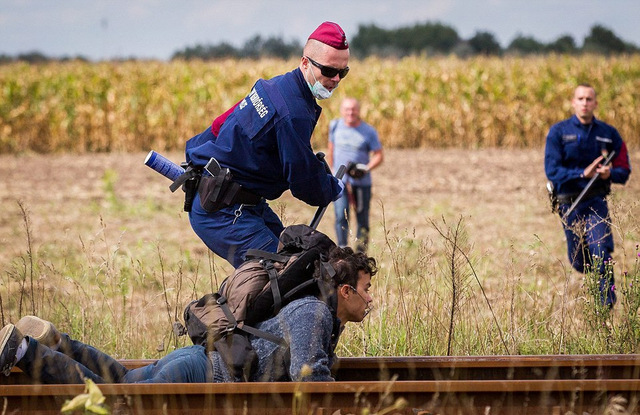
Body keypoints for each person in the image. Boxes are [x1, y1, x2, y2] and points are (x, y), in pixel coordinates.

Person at [0, 247, 377, 384]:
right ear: (345, 291)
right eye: (366, 288)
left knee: (124, 381)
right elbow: (310, 382)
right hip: (202, 375)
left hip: (197, 359)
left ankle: (58, 342)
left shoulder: (312, 311)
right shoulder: (315, 313)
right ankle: (23, 351)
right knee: (113, 403)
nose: (370, 297)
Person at [183, 21, 351, 268]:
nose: (335, 79)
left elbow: (221, 124)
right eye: (328, 71)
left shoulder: (275, 86)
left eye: (343, 72)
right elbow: (304, 182)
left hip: (242, 200)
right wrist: (330, 188)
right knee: (284, 277)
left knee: (292, 257)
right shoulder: (293, 112)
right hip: (222, 211)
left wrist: (195, 153)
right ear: (305, 62)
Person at [544, 83, 631, 308]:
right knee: (580, 262)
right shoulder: (558, 132)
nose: (585, 103)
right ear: (573, 102)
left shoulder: (609, 134)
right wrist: (583, 173)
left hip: (596, 202)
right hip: (569, 204)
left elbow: (624, 170)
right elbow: (552, 171)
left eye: (589, 99)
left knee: (600, 252)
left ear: (595, 103)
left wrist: (609, 173)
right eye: (581, 99)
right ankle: (594, 285)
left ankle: (605, 307)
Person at [327, 97, 383, 252]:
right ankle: (342, 250)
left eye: (353, 109)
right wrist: (332, 170)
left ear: (358, 111)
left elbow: (379, 155)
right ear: (342, 111)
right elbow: (331, 149)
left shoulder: (368, 131)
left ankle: (360, 253)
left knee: (362, 218)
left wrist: (365, 168)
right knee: (340, 215)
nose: (350, 112)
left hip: (362, 182)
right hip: (340, 182)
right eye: (347, 109)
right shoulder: (335, 126)